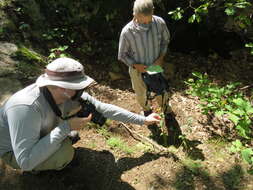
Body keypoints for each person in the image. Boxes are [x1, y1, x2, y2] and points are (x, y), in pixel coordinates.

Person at [0, 57, 161, 173]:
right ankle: (42, 169)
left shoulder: (69, 95)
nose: (82, 90)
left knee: (69, 135)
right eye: (78, 86)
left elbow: (104, 109)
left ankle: (53, 145)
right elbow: (25, 161)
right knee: (65, 153)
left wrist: (143, 120)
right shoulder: (26, 108)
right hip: (15, 153)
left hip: (37, 133)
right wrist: (66, 127)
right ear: (62, 87)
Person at [118, 0, 180, 141]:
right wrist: (135, 65)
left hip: (155, 65)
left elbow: (165, 41)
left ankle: (167, 112)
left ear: (153, 12)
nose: (146, 24)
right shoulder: (127, 32)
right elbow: (122, 55)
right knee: (141, 94)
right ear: (135, 14)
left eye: (148, 21)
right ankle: (147, 111)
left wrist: (161, 57)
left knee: (161, 91)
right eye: (142, 21)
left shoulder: (159, 23)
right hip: (137, 69)